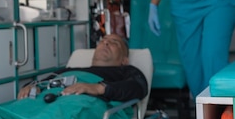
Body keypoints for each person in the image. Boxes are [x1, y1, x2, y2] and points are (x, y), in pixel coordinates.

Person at [17, 34, 148, 102]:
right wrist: (30, 86)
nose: (106, 42)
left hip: (79, 104)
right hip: (43, 101)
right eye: (103, 41)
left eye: (114, 43)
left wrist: (98, 88)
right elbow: (41, 82)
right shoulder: (68, 70)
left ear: (124, 60)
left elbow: (139, 87)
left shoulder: (125, 71)